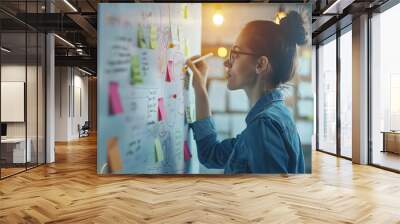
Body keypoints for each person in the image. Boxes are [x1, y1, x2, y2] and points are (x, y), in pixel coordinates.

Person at [186, 11, 307, 174]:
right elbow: (211, 155)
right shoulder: (271, 117)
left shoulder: (264, 125)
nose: (226, 62)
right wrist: (200, 88)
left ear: (260, 65)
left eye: (235, 54)